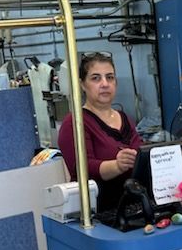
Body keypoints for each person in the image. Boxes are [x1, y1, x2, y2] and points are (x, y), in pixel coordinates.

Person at [58, 52, 142, 211]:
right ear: (82, 84)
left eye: (109, 77)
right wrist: (117, 165)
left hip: (132, 205)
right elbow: (83, 168)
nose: (105, 84)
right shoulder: (75, 123)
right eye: (96, 78)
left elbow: (141, 154)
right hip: (99, 211)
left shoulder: (124, 118)